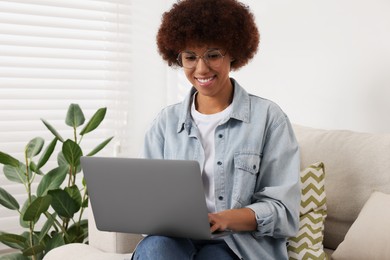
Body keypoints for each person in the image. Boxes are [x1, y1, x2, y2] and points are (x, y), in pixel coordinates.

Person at [133, 0, 301, 259]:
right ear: (178, 58)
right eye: (190, 57)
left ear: (232, 53)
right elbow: (147, 202)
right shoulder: (164, 123)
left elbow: (284, 212)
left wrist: (225, 219)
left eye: (213, 55)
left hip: (238, 244)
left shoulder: (269, 118)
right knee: (156, 248)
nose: (201, 69)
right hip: (178, 240)